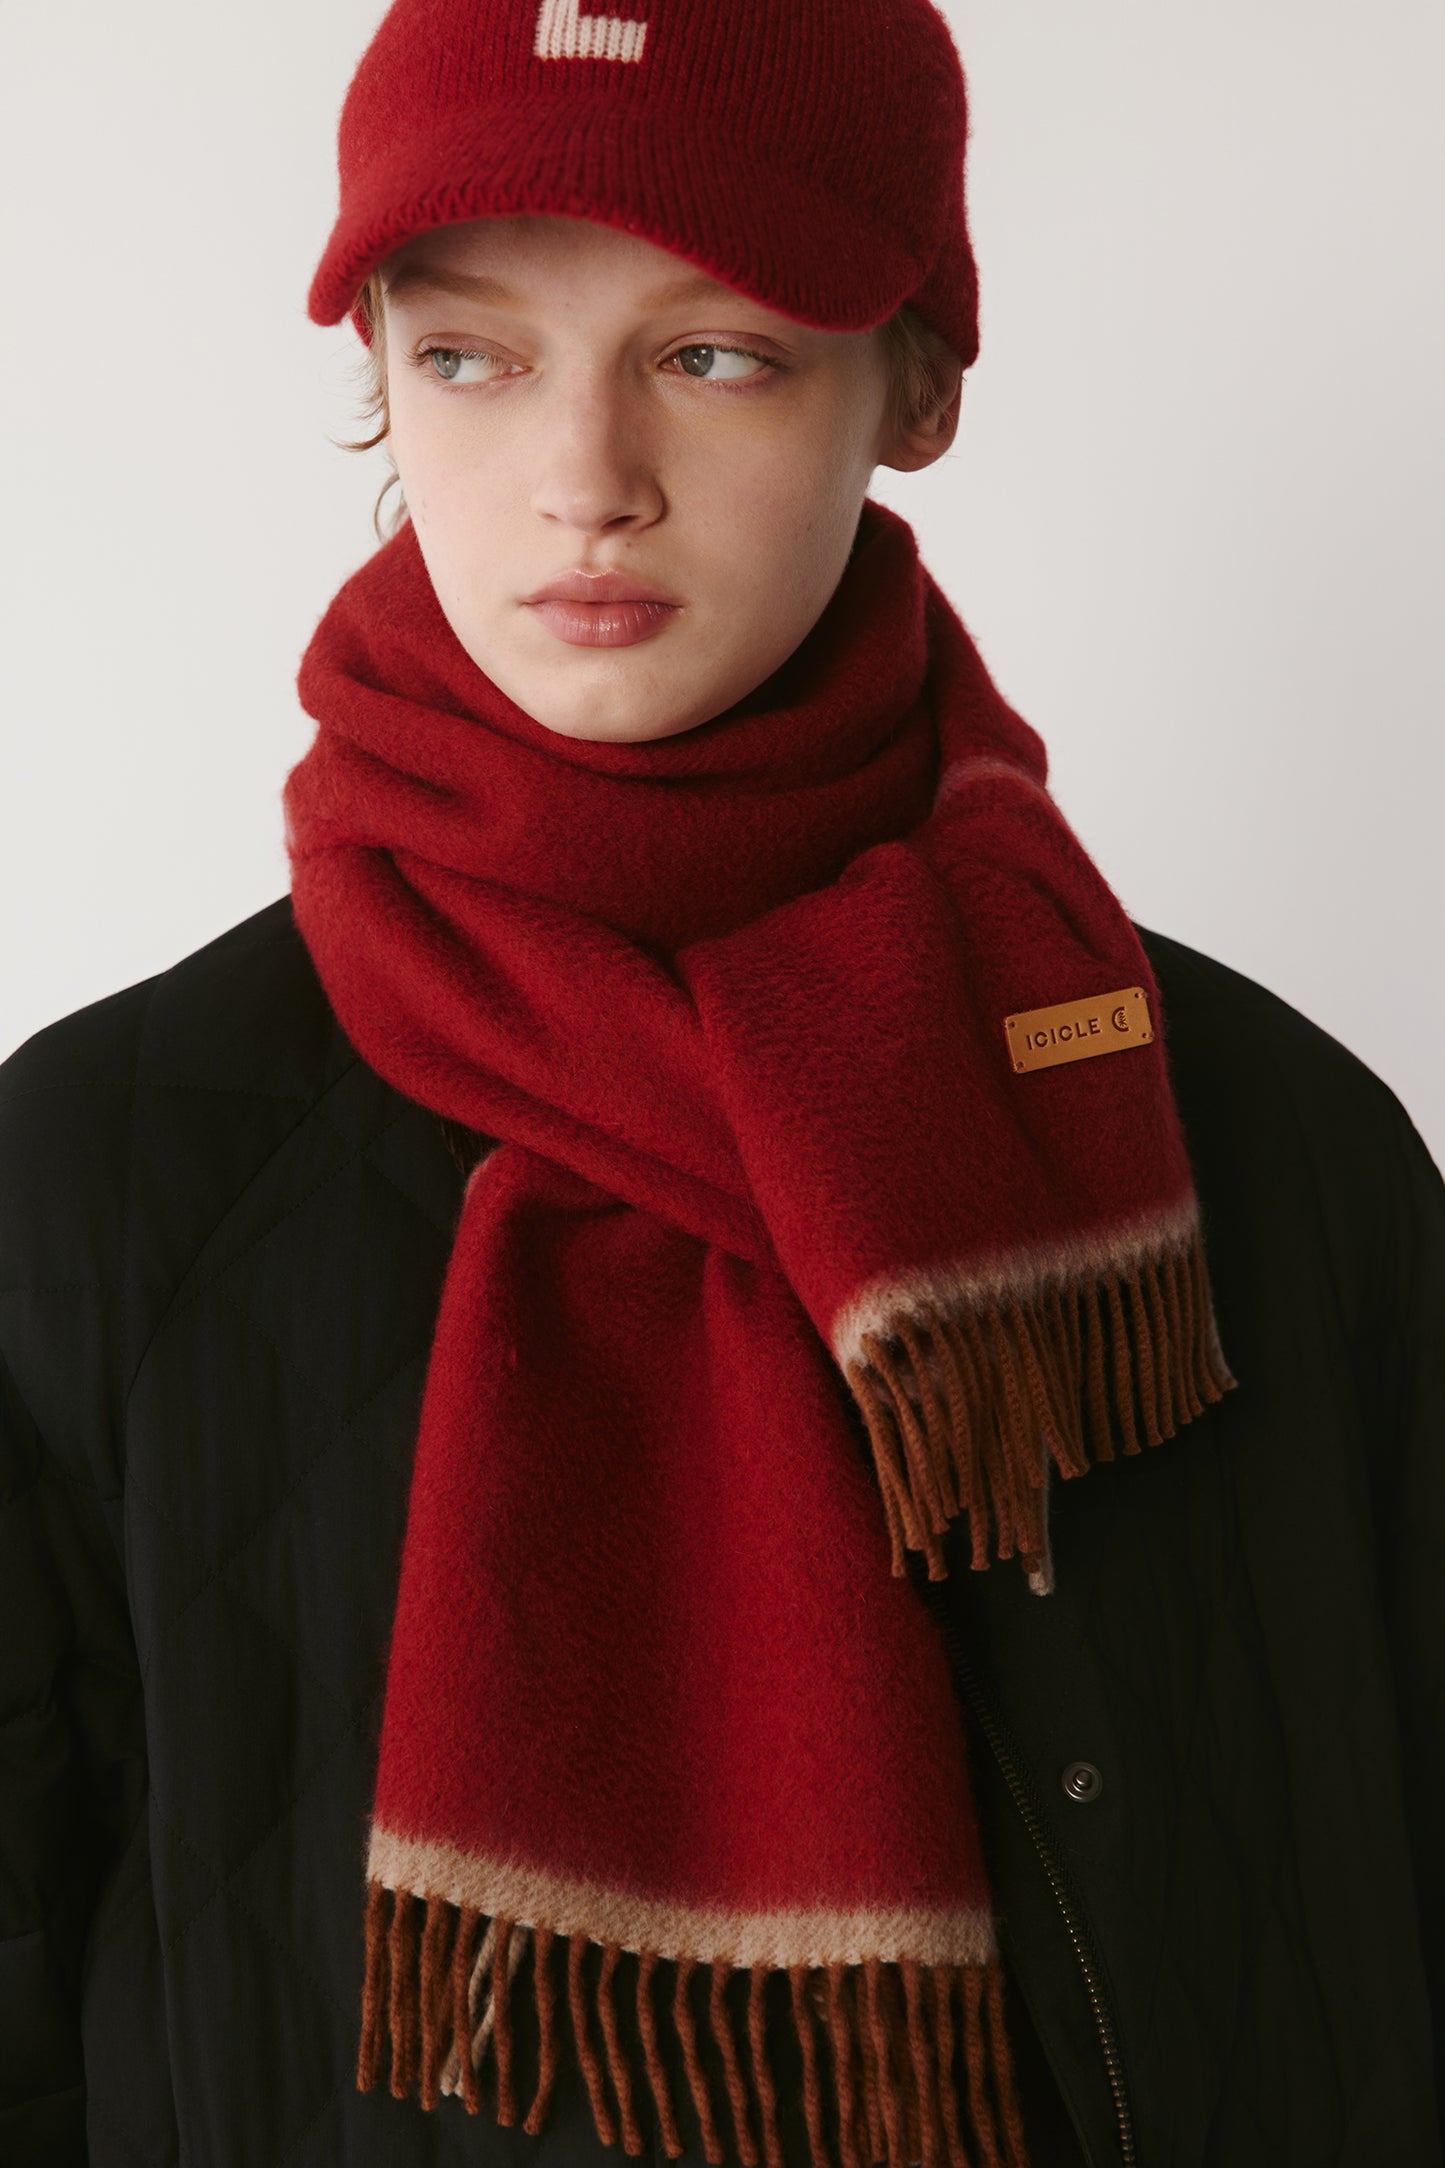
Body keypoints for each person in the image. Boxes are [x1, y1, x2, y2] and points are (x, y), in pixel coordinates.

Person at [1, 0, 1441, 2163]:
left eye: (717, 351)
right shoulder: (94, 1175)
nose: (585, 476)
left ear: (920, 382)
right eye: (473, 354)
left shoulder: (1257, 1151)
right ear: (378, 371)